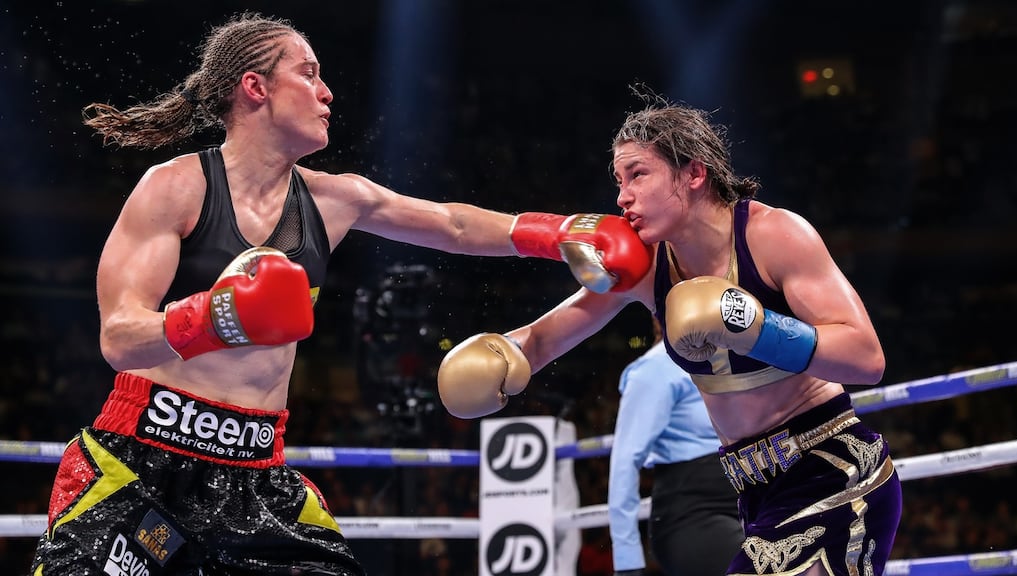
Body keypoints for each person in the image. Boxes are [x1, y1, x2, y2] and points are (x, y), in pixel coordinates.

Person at [30, 12, 652, 576]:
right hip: (140, 466)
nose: (327, 93)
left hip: (257, 479)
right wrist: (218, 316)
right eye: (308, 74)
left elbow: (455, 225)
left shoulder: (335, 200)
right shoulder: (174, 187)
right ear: (256, 87)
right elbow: (118, 337)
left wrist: (561, 231)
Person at [438, 92, 903, 576]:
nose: (622, 196)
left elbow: (866, 358)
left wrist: (754, 328)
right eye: (619, 180)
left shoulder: (774, 236)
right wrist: (504, 351)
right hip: (753, 490)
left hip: (833, 469)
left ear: (693, 173)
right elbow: (543, 339)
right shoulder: (646, 266)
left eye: (638, 174)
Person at [609, 316, 742, 576]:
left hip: (750, 497)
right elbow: (625, 460)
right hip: (693, 513)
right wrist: (627, 558)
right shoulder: (654, 369)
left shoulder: (736, 352)